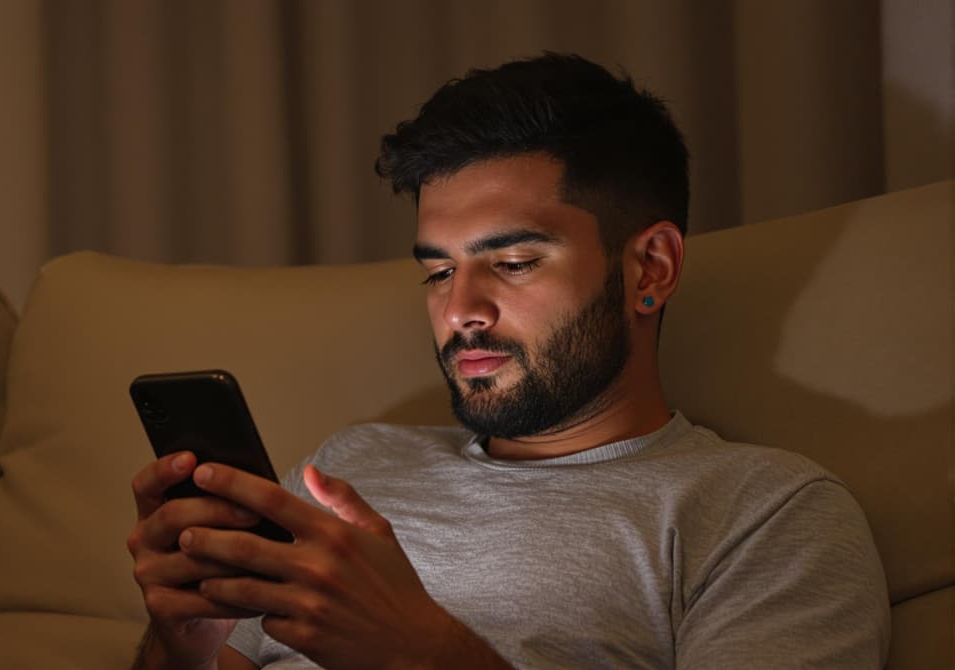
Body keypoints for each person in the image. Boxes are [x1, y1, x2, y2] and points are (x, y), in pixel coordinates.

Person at [126, 53, 890, 669]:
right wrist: (181, 643)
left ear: (650, 269)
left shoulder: (766, 514)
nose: (460, 311)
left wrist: (419, 653)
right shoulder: (348, 466)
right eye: (436, 271)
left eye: (516, 261)